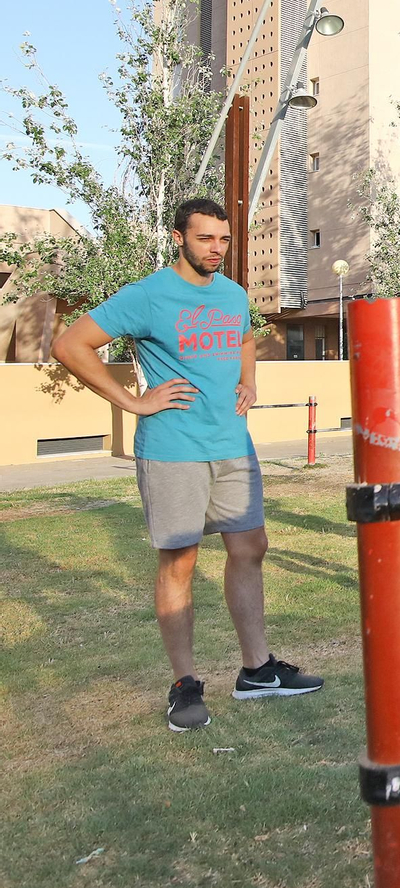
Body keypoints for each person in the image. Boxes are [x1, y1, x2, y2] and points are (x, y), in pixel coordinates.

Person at [51, 198, 323, 732]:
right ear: (178, 238)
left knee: (250, 548)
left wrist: (249, 381)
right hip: (173, 448)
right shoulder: (149, 295)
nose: (217, 250)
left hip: (232, 444)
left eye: (223, 240)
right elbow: (70, 344)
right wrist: (133, 402)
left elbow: (244, 335)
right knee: (179, 563)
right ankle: (185, 685)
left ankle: (257, 671)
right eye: (205, 239)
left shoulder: (232, 294)